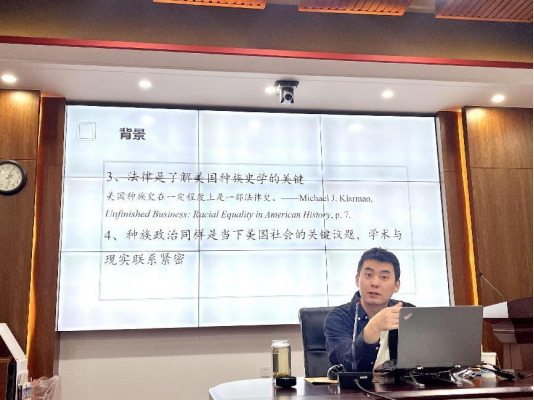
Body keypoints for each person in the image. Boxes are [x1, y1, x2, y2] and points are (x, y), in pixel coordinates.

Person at [324, 248, 415, 372]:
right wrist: (374, 327)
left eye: (384, 277)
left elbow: (421, 362)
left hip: (400, 384)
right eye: (368, 275)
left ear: (396, 286)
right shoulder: (338, 318)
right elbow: (347, 365)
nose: (375, 283)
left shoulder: (407, 313)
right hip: (356, 385)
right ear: (357, 280)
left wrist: (388, 368)